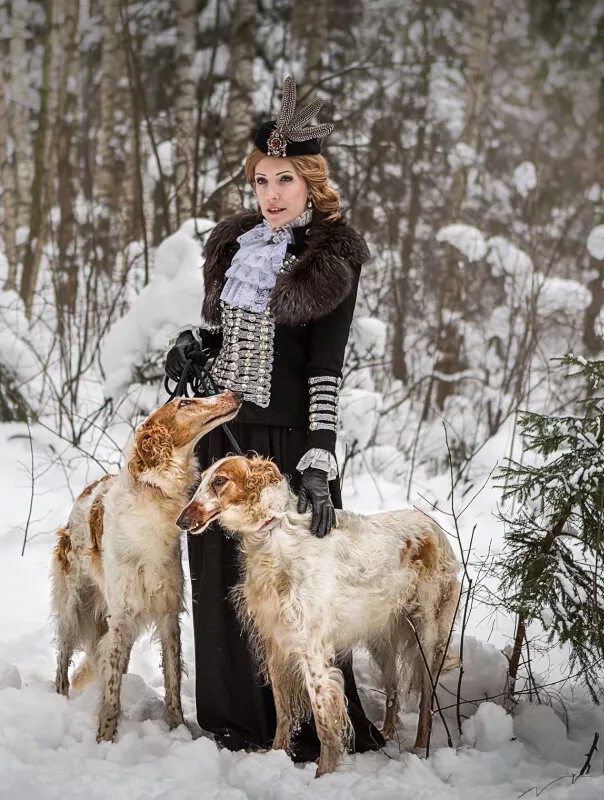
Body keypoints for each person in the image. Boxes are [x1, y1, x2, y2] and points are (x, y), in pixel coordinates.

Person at [164, 75, 384, 759]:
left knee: (297, 600)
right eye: (261, 180)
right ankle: (235, 725)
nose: (271, 193)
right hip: (224, 447)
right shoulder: (236, 249)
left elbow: (325, 373)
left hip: (285, 456)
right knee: (224, 585)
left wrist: (317, 465)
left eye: (285, 179)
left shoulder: (330, 260)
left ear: (312, 182)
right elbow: (229, 342)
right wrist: (195, 350)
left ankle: (311, 730)